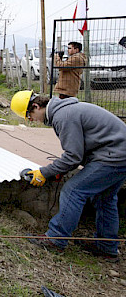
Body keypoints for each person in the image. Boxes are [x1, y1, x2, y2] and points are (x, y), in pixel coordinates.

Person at [10, 90, 126, 261]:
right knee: (105, 198)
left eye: (29, 116)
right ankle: (107, 247)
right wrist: (58, 171)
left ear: (36, 106)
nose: (31, 121)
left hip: (112, 157)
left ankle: (56, 239)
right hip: (119, 155)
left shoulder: (62, 116)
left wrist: (44, 172)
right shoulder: (66, 110)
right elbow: (77, 153)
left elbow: (73, 157)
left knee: (73, 191)